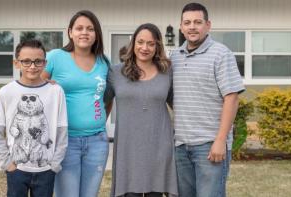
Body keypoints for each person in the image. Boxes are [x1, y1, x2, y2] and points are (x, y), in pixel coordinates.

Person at [170, 2, 245, 197]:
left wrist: (220, 140)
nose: (192, 27)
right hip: (180, 146)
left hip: (209, 146)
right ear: (181, 27)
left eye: (197, 22)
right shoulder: (175, 57)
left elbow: (232, 98)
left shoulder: (221, 54)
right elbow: (174, 97)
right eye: (187, 22)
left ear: (208, 25)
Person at [41, 10, 110, 197]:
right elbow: (33, 86)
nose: (84, 32)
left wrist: (99, 120)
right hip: (65, 141)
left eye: (90, 29)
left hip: (98, 141)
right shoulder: (55, 57)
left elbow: (108, 98)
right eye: (79, 28)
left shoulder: (104, 62)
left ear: (96, 34)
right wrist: (46, 86)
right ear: (70, 32)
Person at [105, 23, 178, 197]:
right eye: (140, 42)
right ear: (133, 44)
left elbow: (178, 105)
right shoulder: (115, 72)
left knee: (155, 193)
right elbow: (102, 102)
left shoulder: (167, 72)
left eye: (151, 44)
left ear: (157, 46)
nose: (145, 48)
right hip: (128, 149)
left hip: (159, 146)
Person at [0, 39, 68, 197]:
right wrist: (7, 164)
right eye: (26, 61)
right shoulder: (6, 92)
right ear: (16, 63)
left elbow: (62, 132)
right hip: (17, 170)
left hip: (46, 169)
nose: (32, 66)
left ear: (45, 63)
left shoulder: (56, 92)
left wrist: (54, 164)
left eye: (38, 61)